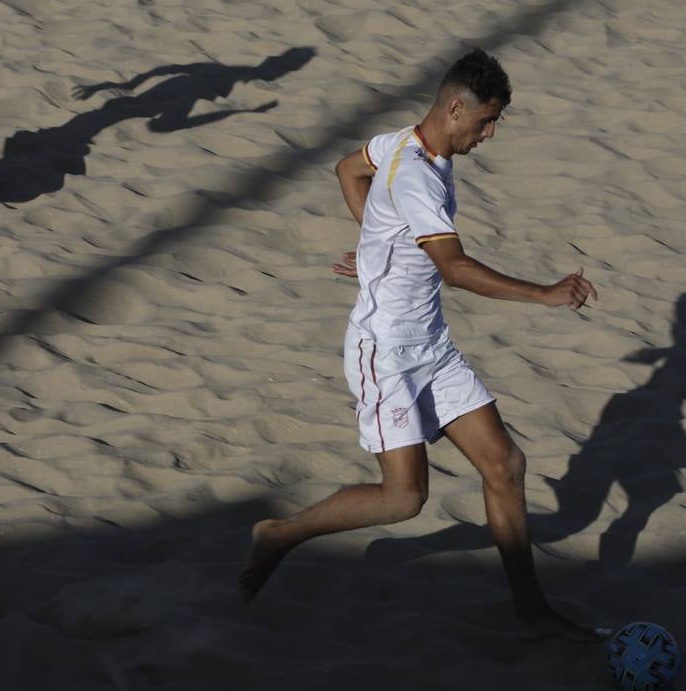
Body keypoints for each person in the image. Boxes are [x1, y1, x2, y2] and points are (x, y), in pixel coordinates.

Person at [239, 49, 602, 641]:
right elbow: (454, 268)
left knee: (505, 466)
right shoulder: (416, 176)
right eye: (485, 121)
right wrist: (543, 294)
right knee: (404, 497)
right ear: (455, 107)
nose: (489, 135)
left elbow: (345, 170)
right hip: (385, 350)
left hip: (430, 343)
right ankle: (278, 534)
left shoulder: (400, 143)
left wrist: (379, 246)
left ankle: (531, 612)